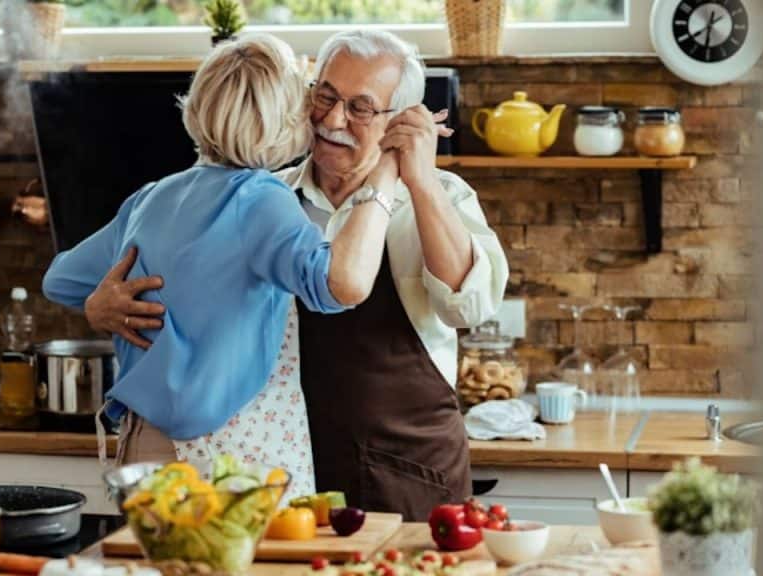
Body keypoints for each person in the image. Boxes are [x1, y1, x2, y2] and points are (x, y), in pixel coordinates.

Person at [83, 30, 509, 521]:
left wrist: (419, 178)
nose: (333, 119)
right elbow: (171, 286)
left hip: (405, 473)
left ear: (397, 120)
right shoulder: (261, 196)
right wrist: (99, 306)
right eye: (325, 95)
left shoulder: (439, 194)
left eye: (361, 108)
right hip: (279, 469)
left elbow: (469, 306)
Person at [41, 33, 400, 500]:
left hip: (142, 449)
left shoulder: (151, 198)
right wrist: (386, 171)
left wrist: (99, 305)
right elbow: (341, 286)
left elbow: (59, 280)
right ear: (284, 120)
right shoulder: (262, 200)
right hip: (231, 461)